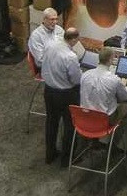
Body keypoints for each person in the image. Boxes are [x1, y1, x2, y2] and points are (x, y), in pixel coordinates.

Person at [41, 27, 82, 167]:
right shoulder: (70, 57)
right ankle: (67, 159)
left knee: (51, 122)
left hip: (49, 90)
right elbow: (76, 80)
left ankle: (50, 154)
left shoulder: (50, 45)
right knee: (69, 125)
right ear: (74, 39)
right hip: (66, 95)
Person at [80, 47, 127, 122]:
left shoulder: (85, 75)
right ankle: (119, 128)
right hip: (104, 119)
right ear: (110, 60)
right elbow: (124, 97)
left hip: (85, 115)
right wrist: (123, 85)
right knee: (126, 106)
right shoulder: (114, 79)